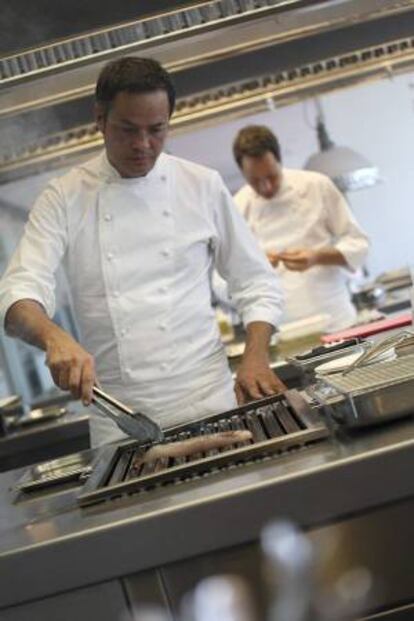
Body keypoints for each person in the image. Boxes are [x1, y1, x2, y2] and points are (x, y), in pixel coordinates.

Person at [0, 58, 284, 446]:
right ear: (99, 118)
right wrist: (53, 337)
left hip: (213, 402)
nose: (143, 145)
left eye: (157, 130)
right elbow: (17, 293)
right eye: (128, 129)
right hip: (123, 422)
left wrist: (255, 356)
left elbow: (256, 281)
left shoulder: (201, 185)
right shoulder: (64, 198)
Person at [232, 125, 369, 332]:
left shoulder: (317, 185)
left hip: (336, 320)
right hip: (282, 330)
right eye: (255, 181)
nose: (265, 187)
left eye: (271, 176)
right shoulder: (237, 207)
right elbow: (222, 277)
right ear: (242, 173)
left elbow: (359, 244)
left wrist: (317, 257)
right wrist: (256, 268)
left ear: (279, 161)